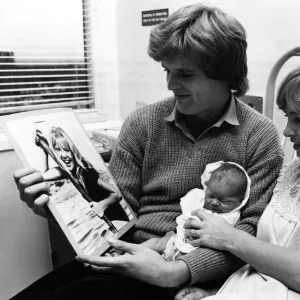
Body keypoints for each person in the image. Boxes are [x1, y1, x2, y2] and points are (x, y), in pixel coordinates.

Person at [11, 3, 283, 300]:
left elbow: (251, 236)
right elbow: (115, 212)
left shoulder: (259, 136)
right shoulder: (143, 124)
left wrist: (177, 270)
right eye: (167, 70)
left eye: (185, 74)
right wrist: (55, 208)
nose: (170, 84)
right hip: (128, 257)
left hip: (197, 273)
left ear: (226, 75)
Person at [174, 67, 300, 300]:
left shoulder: (258, 135)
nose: (287, 130)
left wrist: (227, 237)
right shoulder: (293, 172)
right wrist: (216, 291)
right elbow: (266, 259)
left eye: (299, 119)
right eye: (288, 117)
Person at [35, 126, 128, 224]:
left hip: (119, 219)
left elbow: (116, 194)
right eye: (58, 150)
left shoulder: (86, 172)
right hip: (107, 219)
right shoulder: (67, 171)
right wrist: (44, 148)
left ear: (73, 151)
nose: (63, 155)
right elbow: (43, 176)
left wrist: (101, 205)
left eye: (66, 150)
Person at [163, 161, 250, 261]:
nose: (214, 203)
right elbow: (187, 209)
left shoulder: (233, 218)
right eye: (210, 196)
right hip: (177, 238)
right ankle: (142, 251)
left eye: (223, 201)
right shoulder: (198, 199)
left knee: (180, 260)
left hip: (199, 253)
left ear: (240, 201)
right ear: (206, 185)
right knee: (159, 243)